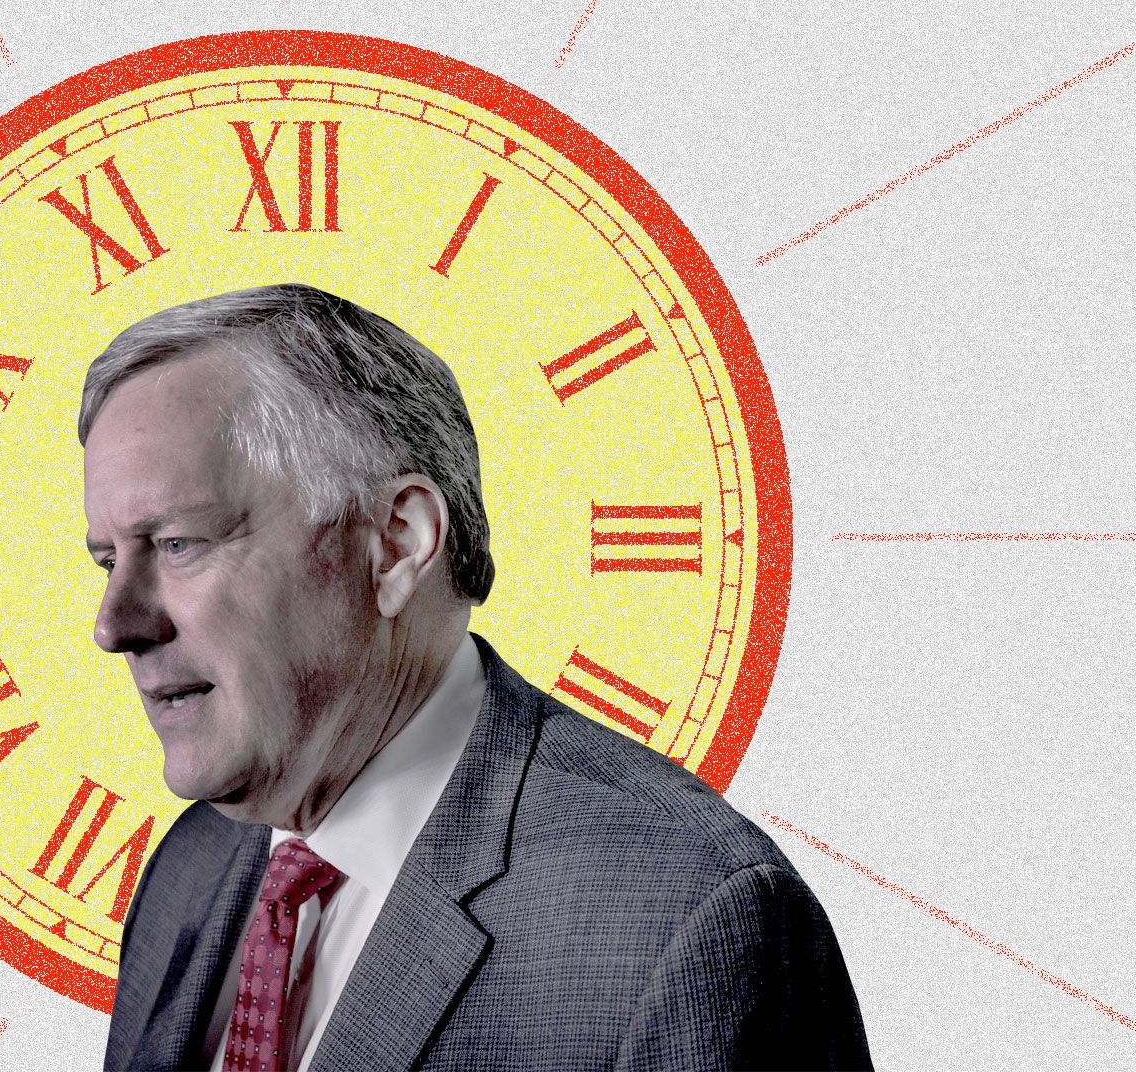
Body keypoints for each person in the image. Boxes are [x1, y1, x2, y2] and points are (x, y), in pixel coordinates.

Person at [80, 284, 870, 1071]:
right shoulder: (190, 867)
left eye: (178, 544)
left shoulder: (688, 919)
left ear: (396, 544)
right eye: (110, 561)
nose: (115, 626)